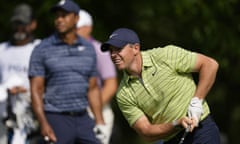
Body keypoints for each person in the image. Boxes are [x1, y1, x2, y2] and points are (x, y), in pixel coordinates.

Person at [100, 28, 221, 144]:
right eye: (111, 51)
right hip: (172, 140)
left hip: (202, 129)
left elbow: (210, 64)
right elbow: (146, 131)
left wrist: (197, 101)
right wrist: (176, 124)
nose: (113, 55)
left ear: (136, 48)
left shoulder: (165, 56)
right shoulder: (123, 93)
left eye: (118, 49)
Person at [28, 0, 106, 144]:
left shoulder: (88, 49)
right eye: (57, 16)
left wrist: (100, 121)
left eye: (64, 16)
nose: (59, 20)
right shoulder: (42, 49)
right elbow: (36, 90)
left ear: (76, 18)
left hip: (83, 118)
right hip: (56, 118)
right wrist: (43, 123)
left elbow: (93, 88)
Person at [0, 3, 40, 144]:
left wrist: (27, 91)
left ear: (33, 24)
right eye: (16, 23)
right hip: (4, 117)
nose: (19, 28)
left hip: (31, 117)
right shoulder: (2, 49)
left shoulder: (40, 48)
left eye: (23, 24)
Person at [76, 10, 118, 144]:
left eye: (77, 28)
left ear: (88, 28)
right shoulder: (64, 50)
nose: (74, 31)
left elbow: (111, 85)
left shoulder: (99, 50)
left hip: (98, 111)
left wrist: (92, 108)